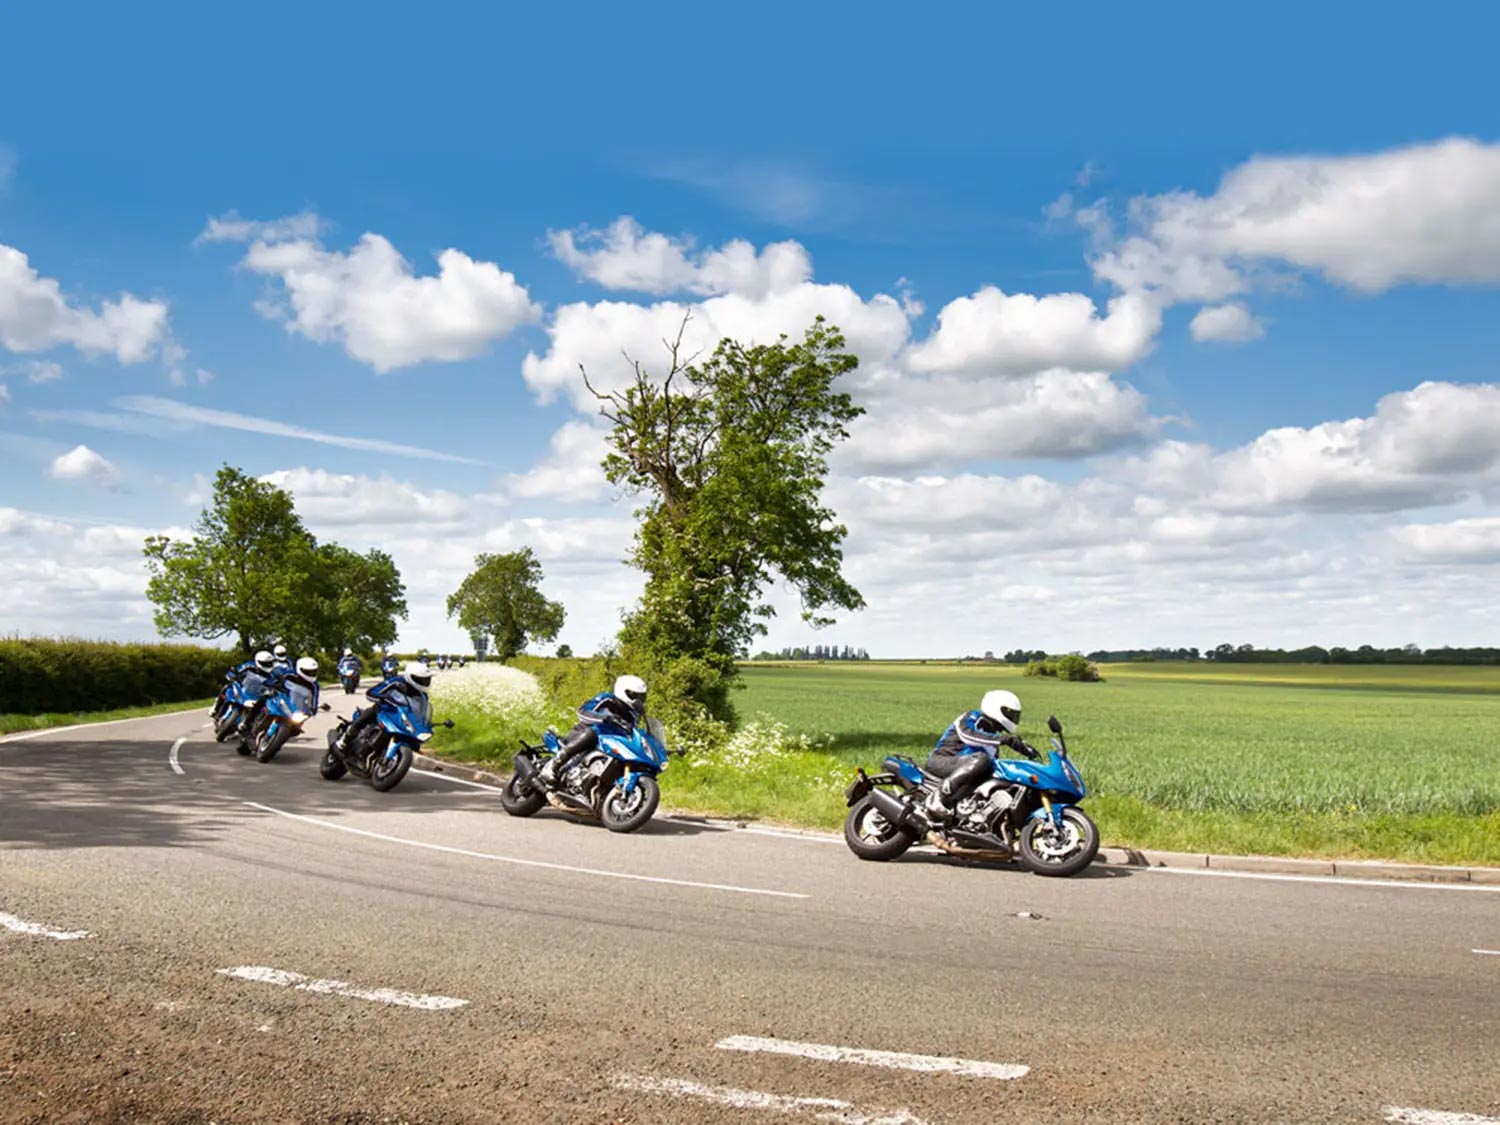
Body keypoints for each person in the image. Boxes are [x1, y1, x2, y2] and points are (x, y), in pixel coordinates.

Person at [923, 689, 1037, 822]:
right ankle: (939, 795)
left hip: (963, 773)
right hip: (942, 761)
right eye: (1010, 713)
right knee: (982, 759)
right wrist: (1006, 740)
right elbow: (968, 736)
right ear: (996, 706)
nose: (1012, 718)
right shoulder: (971, 717)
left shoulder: (992, 739)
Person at [537, 674, 648, 787]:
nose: (639, 700)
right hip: (583, 733)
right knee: (593, 732)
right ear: (625, 692)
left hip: (607, 745)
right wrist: (605, 718)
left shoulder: (633, 715)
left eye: (642, 697)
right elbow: (583, 712)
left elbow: (633, 734)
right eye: (636, 696)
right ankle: (553, 765)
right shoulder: (607, 699)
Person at [334, 661, 432, 755]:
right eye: (421, 680)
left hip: (400, 716)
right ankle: (345, 738)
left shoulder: (423, 696)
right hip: (385, 710)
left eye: (426, 679)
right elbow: (371, 692)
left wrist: (425, 722)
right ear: (410, 677)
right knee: (369, 714)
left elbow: (421, 712)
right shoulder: (396, 682)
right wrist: (382, 698)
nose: (424, 682)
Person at [213, 650, 275, 719]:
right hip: (243, 688)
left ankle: (248, 724)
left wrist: (272, 691)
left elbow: (274, 686)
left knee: (263, 707)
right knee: (227, 687)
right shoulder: (249, 665)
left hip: (256, 695)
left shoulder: (271, 676)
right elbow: (237, 670)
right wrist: (233, 674)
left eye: (270, 663)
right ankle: (216, 708)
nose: (268, 665)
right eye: (265, 663)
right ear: (258, 661)